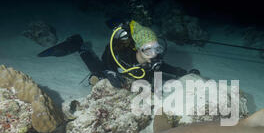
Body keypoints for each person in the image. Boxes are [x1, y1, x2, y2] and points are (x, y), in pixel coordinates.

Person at [38, 20, 199, 88]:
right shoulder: (121, 55)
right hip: (110, 61)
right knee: (97, 74)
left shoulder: (153, 58)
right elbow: (101, 70)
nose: (154, 54)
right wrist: (106, 73)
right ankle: (80, 46)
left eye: (157, 48)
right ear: (137, 48)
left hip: (139, 75)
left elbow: (162, 66)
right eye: (148, 49)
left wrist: (182, 73)